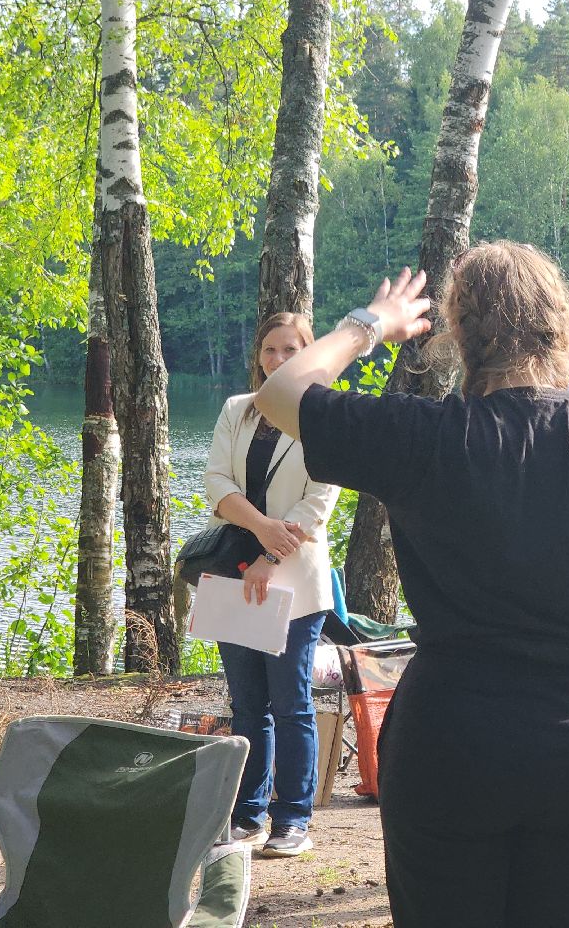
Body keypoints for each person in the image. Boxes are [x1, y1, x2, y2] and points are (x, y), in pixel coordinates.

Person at [252, 243, 569, 928]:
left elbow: (280, 392)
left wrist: (368, 324)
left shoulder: (426, 437)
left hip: (452, 741)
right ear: (561, 326)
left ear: (459, 334)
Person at [203, 311, 341, 858]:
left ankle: (293, 820)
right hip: (232, 575)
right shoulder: (238, 410)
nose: (279, 359)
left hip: (293, 584)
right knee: (246, 704)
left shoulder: (324, 419)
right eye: (270, 350)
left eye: (291, 349)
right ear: (259, 357)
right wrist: (259, 530)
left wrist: (269, 555)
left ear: (309, 355)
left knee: (292, 704)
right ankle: (248, 814)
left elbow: (317, 504)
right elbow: (215, 482)